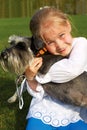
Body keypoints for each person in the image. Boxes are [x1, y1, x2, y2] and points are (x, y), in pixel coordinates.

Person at [24, 6, 87, 130]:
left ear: (68, 25)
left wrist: (40, 76)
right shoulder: (44, 56)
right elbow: (38, 92)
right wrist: (30, 77)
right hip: (48, 106)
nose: (59, 45)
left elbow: (72, 69)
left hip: (77, 106)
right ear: (42, 43)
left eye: (62, 35)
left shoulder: (81, 44)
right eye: (50, 42)